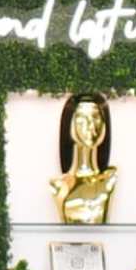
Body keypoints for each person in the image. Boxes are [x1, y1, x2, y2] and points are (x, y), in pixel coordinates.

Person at [48, 92, 117, 225]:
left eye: (96, 118)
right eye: (82, 119)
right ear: (69, 125)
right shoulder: (58, 185)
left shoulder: (110, 179)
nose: (91, 127)